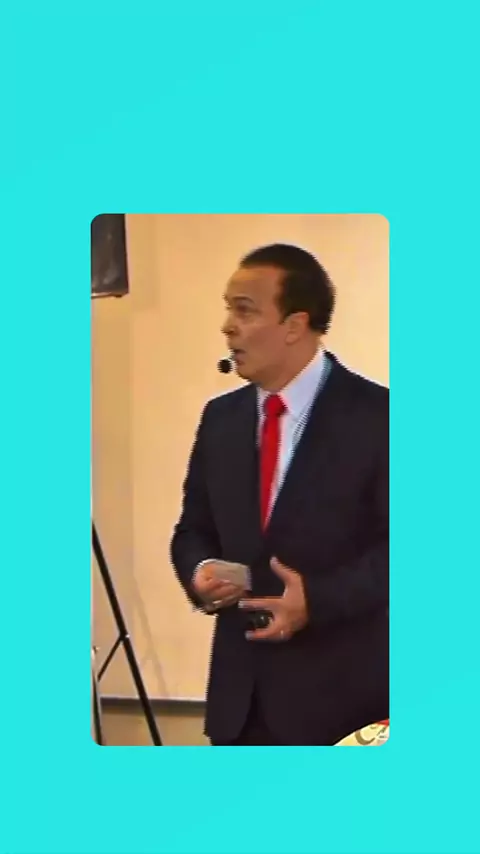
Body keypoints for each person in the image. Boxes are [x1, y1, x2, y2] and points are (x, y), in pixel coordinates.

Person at [170, 243, 389, 746]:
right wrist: (200, 571)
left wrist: (317, 600)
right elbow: (192, 528)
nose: (227, 327)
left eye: (244, 311)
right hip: (238, 707)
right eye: (228, 309)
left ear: (295, 325)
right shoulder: (220, 419)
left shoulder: (380, 417)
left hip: (344, 708)